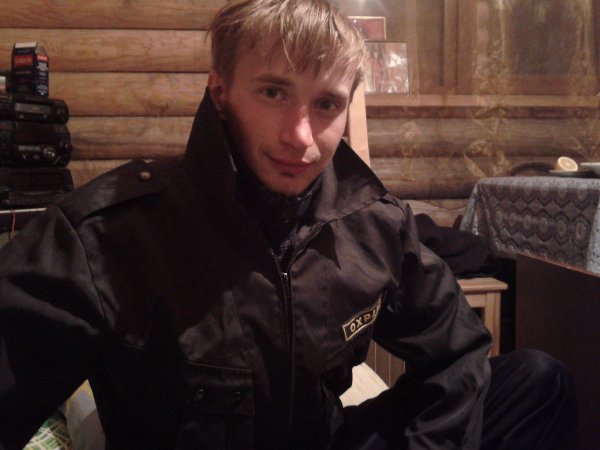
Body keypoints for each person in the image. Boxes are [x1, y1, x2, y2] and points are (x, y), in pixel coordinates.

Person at [0, 0, 578, 449]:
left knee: (536, 379)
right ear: (221, 92)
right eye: (274, 91)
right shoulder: (102, 235)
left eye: (326, 104)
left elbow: (458, 352)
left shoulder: (374, 225)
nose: (300, 138)